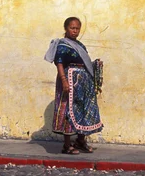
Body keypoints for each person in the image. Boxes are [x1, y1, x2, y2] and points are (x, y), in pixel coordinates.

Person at [44, 17, 103, 155]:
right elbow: (59, 63)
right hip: (69, 79)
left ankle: (81, 141)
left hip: (83, 83)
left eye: (77, 28)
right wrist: (64, 81)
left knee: (83, 110)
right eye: (72, 28)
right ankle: (66, 145)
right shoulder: (62, 45)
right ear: (66, 28)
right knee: (68, 110)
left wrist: (95, 66)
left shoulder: (81, 46)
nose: (75, 31)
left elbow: (84, 63)